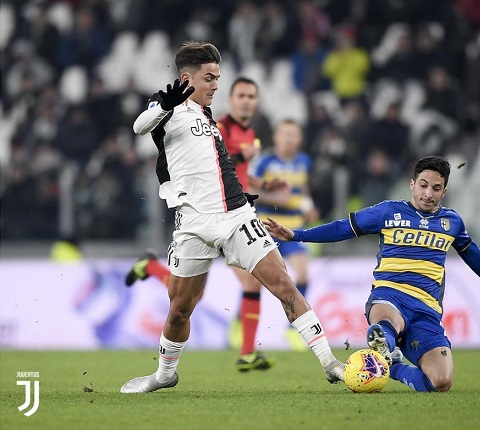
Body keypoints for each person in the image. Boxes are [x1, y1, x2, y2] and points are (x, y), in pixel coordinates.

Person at [119, 41, 344, 393]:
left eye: (217, 78)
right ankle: (164, 374)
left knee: (284, 285)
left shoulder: (208, 118)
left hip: (235, 216)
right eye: (209, 78)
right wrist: (165, 104)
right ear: (185, 78)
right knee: (179, 309)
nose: (215, 85)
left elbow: (217, 166)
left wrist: (247, 193)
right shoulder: (167, 109)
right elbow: (139, 126)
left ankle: (331, 364)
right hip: (192, 224)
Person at [264, 156, 480, 392]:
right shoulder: (388, 212)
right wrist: (298, 235)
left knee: (441, 382)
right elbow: (344, 228)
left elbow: (469, 250)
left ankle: (392, 364)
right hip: (390, 296)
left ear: (444, 191)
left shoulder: (452, 222)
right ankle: (383, 340)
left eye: (436, 188)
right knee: (387, 324)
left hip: (427, 310)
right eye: (423, 185)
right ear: (412, 184)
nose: (428, 193)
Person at [125, 77, 287, 372]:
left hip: (232, 212)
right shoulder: (215, 123)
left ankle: (248, 351)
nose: (247, 101)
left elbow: (235, 173)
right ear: (233, 100)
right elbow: (207, 161)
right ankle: (247, 351)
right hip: (206, 213)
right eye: (241, 95)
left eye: (252, 95)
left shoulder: (249, 133)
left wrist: (264, 184)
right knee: (191, 296)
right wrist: (240, 156)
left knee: (208, 291)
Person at [251, 119, 319, 351]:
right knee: (254, 282)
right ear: (276, 136)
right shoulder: (264, 162)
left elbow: (303, 188)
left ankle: (295, 328)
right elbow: (249, 189)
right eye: (285, 133)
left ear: (299, 139)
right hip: (265, 228)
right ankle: (240, 323)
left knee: (303, 274)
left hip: (292, 230)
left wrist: (308, 205)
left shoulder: (303, 161)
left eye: (293, 134)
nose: (289, 138)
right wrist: (274, 198)